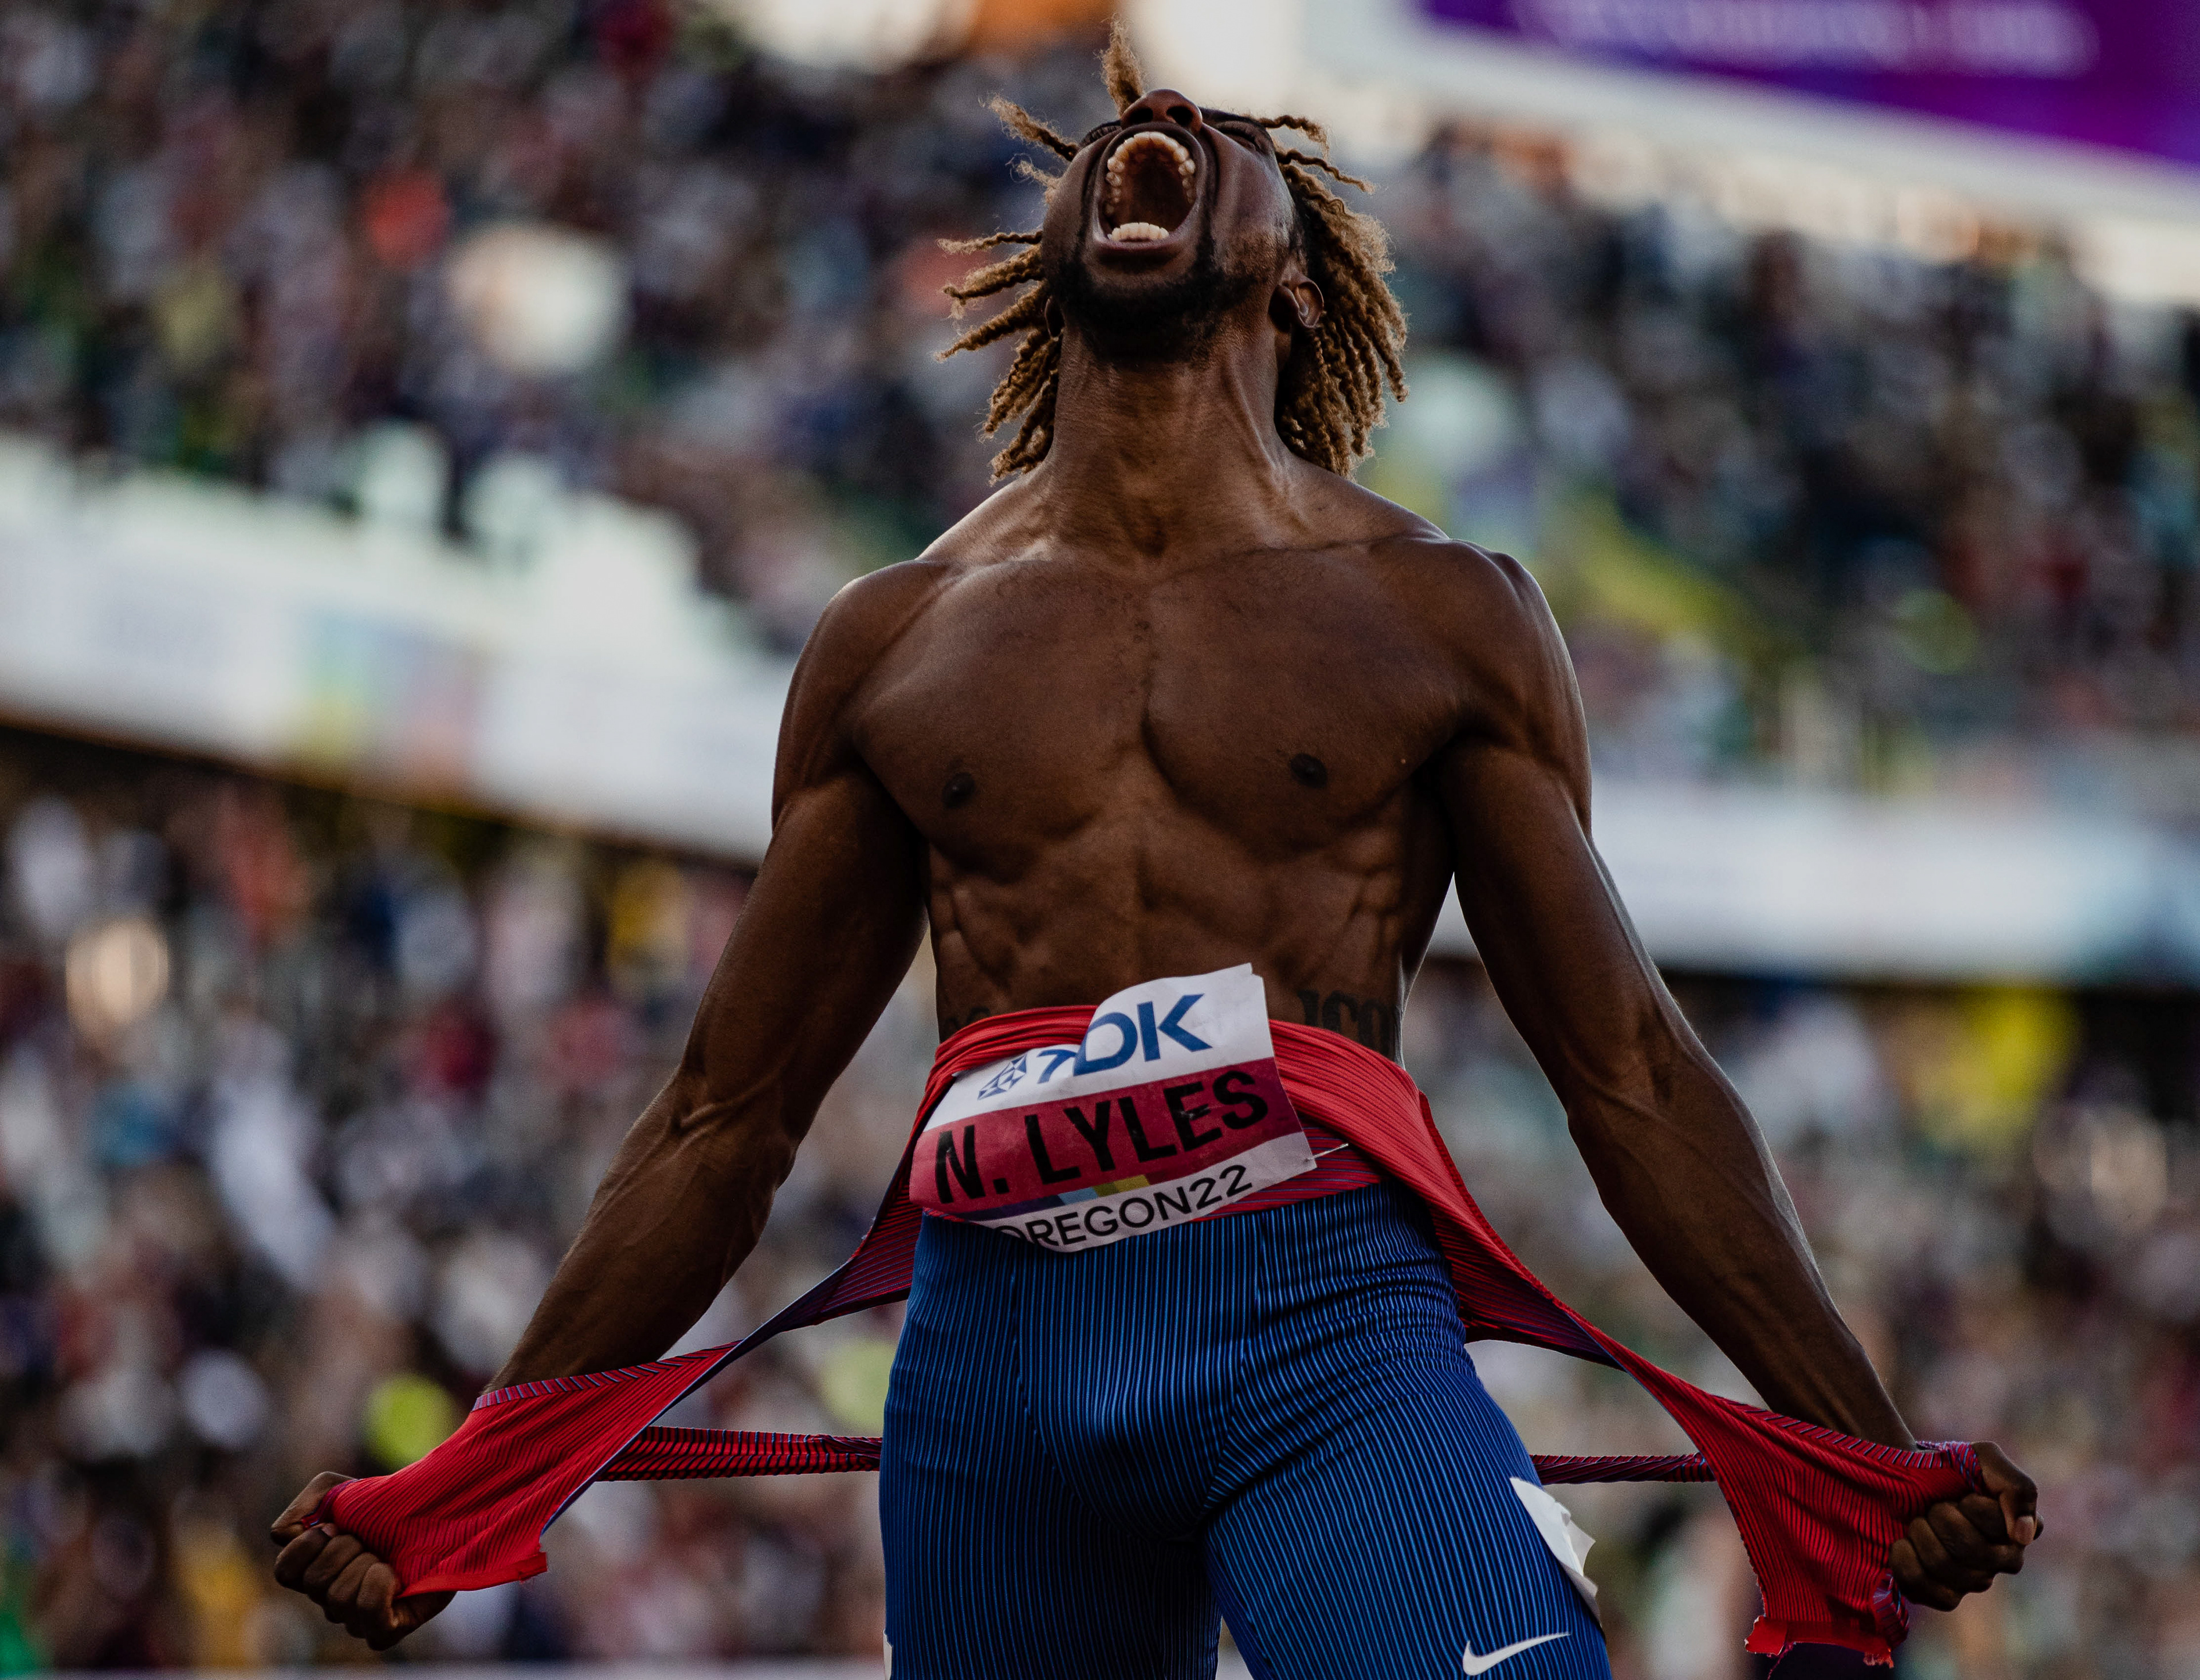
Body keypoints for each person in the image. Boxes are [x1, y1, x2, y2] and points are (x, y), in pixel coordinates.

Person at [272, 34, 2038, 1678]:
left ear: (1293, 266)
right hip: (996, 1382)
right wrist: (475, 1475)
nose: (1161, 134)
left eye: (1220, 139)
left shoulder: (1442, 620)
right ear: (1042, 248)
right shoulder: (894, 645)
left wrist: (1858, 1444)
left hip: (1325, 1346)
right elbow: (722, 1120)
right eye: (1123, 134)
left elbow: (1633, 1073)